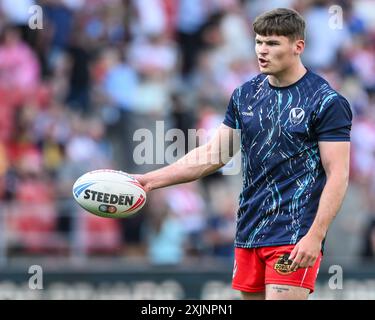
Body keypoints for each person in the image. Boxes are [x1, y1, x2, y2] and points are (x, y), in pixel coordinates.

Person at [134, 8, 352, 300]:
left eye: (272, 43)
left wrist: (315, 235)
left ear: (298, 46)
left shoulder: (326, 101)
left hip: (293, 234)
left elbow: (338, 174)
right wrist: (149, 180)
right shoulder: (245, 95)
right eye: (259, 42)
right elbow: (213, 155)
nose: (262, 50)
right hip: (249, 230)